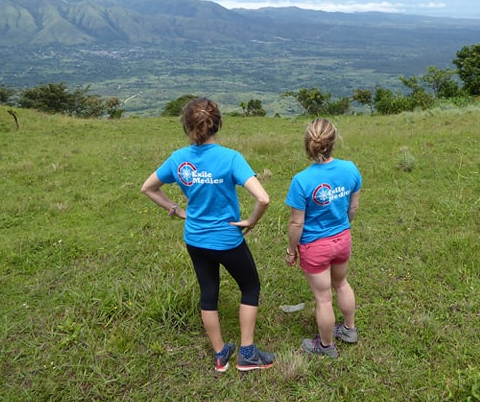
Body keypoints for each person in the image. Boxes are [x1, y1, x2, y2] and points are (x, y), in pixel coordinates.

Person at [141, 97, 275, 372]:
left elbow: (148, 188)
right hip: (227, 238)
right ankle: (247, 353)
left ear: (187, 127)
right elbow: (263, 199)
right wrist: (250, 221)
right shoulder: (230, 158)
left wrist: (176, 209)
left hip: (195, 239)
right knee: (250, 287)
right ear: (217, 125)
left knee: (208, 293)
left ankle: (219, 355)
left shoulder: (178, 159)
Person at [285, 118, 362, 358]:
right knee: (342, 284)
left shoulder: (301, 181)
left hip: (315, 246)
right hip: (342, 239)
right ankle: (349, 329)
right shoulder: (350, 169)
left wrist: (291, 249)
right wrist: (343, 225)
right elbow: (353, 208)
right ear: (333, 141)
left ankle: (326, 346)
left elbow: (297, 222)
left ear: (308, 144)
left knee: (323, 298)